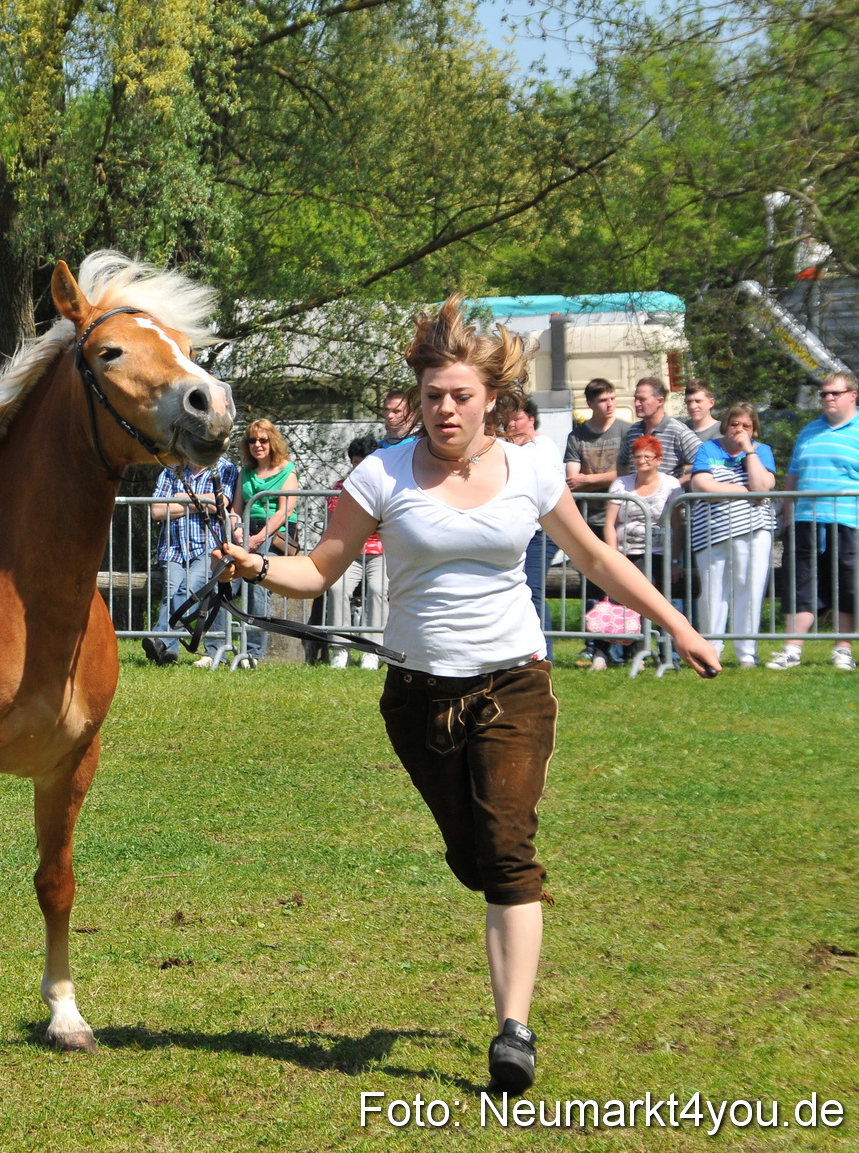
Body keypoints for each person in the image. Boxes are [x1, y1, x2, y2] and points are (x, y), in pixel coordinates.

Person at [215, 295, 719, 1095]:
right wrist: (251, 565)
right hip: (416, 694)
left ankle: (512, 1031)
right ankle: (491, 889)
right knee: (474, 855)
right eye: (431, 396)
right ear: (415, 398)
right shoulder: (379, 472)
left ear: (490, 399)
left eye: (459, 396)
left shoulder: (528, 469)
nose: (444, 409)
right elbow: (315, 572)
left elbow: (594, 559)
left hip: (514, 680)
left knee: (509, 855)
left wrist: (675, 623)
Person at [768, 371, 859, 670]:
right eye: (824, 393)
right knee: (800, 585)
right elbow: (793, 477)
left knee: (848, 587)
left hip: (852, 521)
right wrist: (787, 517)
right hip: (806, 521)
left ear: (852, 395)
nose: (827, 398)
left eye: (834, 393)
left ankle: (843, 651)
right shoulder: (809, 431)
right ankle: (791, 650)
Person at [690, 402, 777, 668]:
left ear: (754, 430)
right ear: (725, 425)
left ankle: (746, 653)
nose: (739, 430)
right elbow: (701, 484)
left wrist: (749, 452)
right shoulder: (708, 448)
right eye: (735, 424)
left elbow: (764, 486)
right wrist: (744, 490)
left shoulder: (762, 451)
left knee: (749, 589)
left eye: (746, 426)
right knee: (713, 593)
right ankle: (711, 651)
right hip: (712, 534)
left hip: (755, 532)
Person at [601, 436, 686, 671]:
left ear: (658, 459)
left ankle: (671, 653)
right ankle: (626, 652)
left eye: (647, 456)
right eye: (637, 456)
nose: (641, 461)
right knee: (630, 600)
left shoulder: (671, 485)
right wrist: (612, 557)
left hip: (660, 552)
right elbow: (610, 523)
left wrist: (675, 560)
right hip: (628, 552)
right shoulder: (621, 484)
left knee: (664, 602)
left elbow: (678, 525)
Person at [145, 458, 237, 669]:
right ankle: (168, 651)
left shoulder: (224, 468)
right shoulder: (171, 470)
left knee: (188, 589)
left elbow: (220, 503)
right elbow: (157, 511)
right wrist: (200, 505)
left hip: (209, 547)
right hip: (173, 548)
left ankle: (161, 640)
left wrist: (179, 498)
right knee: (171, 593)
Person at [564, 380, 631, 665]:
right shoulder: (577, 436)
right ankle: (595, 645)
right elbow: (571, 478)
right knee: (592, 583)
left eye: (612, 398)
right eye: (603, 400)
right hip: (588, 518)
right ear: (590, 404)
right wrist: (593, 480)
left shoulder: (627, 430)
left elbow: (626, 472)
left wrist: (590, 479)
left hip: (622, 518)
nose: (610, 404)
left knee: (624, 581)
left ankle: (627, 644)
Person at [230, 419, 297, 669]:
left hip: (276, 534)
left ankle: (253, 652)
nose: (257, 445)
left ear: (272, 442)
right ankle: (214, 646)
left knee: (257, 585)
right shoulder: (245, 472)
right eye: (252, 441)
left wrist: (258, 539)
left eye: (262, 440)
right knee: (225, 577)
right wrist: (237, 530)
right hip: (246, 532)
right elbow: (235, 508)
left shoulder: (287, 470)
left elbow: (283, 512)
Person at [505, 397, 560, 656]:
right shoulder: (508, 446)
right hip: (519, 529)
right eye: (509, 419)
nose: (512, 423)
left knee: (532, 588)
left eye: (517, 418)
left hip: (541, 532)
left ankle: (544, 651)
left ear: (531, 419)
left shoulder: (542, 446)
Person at [325, 436, 385, 670]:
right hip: (348, 551)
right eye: (356, 462)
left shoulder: (385, 486)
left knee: (378, 590)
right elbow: (332, 525)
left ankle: (373, 649)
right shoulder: (341, 488)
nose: (360, 467)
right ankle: (340, 649)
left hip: (380, 551)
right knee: (337, 588)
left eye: (365, 462)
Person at [615, 377, 700, 482]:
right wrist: (625, 486)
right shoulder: (633, 431)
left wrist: (675, 485)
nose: (637, 404)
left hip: (669, 498)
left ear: (659, 401)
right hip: (636, 498)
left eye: (642, 399)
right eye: (636, 399)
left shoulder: (678, 431)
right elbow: (622, 461)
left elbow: (705, 462)